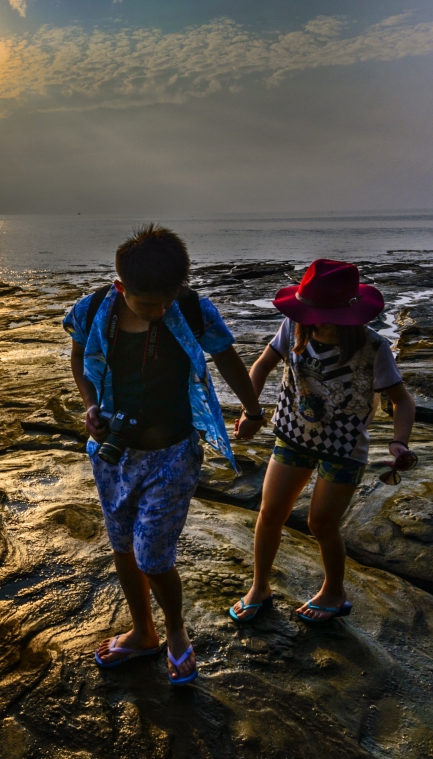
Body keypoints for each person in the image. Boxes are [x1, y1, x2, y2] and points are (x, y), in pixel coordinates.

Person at [64, 225, 265, 683]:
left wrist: (252, 408)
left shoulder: (193, 309)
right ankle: (142, 632)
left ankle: (174, 632)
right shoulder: (94, 309)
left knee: (153, 556)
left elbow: (227, 358)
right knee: (122, 549)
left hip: (173, 451)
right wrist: (90, 405)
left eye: (166, 300)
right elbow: (79, 360)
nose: (158, 312)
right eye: (147, 303)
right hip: (113, 453)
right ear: (121, 288)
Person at [230, 258, 417, 625]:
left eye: (332, 317)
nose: (323, 324)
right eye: (317, 315)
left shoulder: (372, 347)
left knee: (321, 524)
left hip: (344, 447)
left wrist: (399, 442)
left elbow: (402, 400)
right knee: (270, 512)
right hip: (293, 434)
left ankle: (334, 591)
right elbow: (261, 366)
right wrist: (251, 414)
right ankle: (259, 586)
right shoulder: (293, 326)